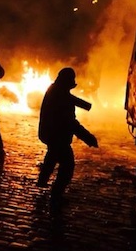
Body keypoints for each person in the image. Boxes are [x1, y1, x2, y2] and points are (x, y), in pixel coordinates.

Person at [37, 67, 98, 213]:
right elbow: (71, 123)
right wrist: (88, 137)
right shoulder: (61, 98)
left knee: (52, 155)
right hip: (57, 135)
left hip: (50, 134)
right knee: (67, 166)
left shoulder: (54, 91)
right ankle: (55, 195)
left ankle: (43, 179)